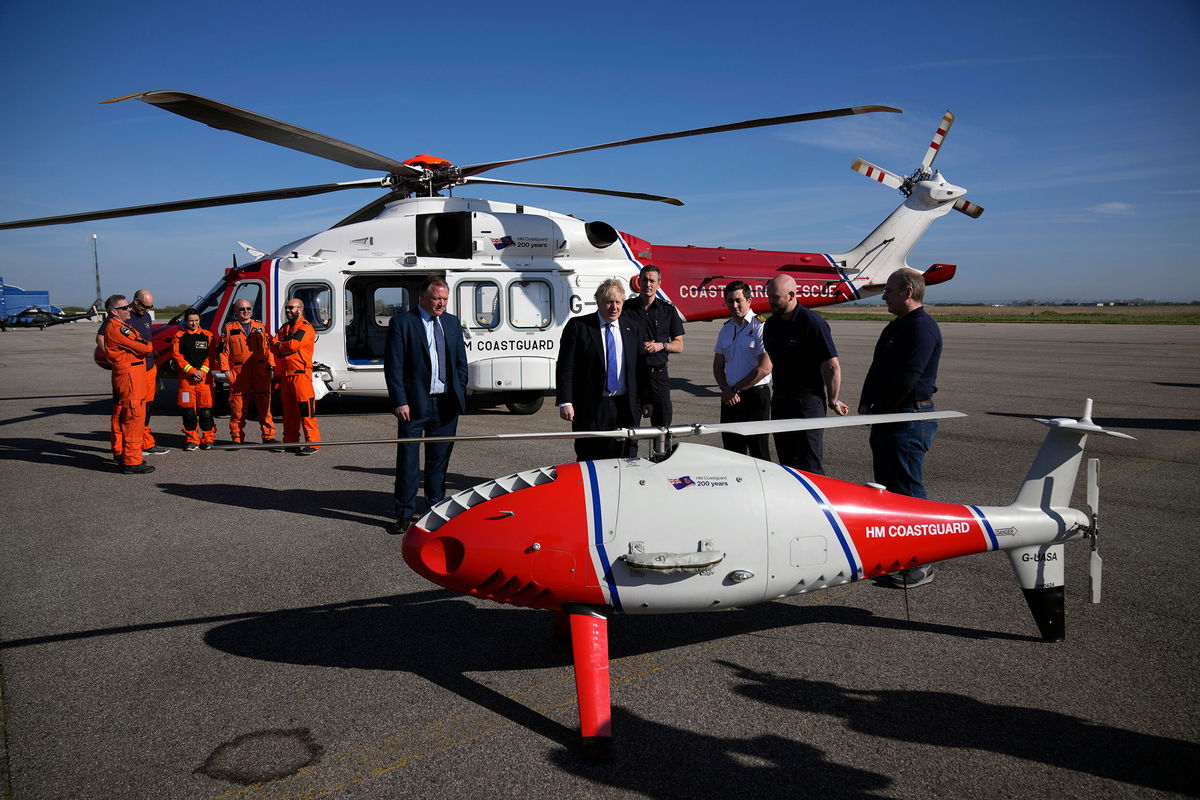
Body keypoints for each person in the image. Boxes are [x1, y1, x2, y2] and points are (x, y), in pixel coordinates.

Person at [859, 268, 944, 587]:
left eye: (889, 290)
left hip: (908, 418)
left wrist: (880, 407)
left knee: (908, 491)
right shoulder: (896, 327)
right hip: (889, 415)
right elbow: (877, 368)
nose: (884, 296)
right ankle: (899, 553)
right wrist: (867, 401)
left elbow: (908, 379)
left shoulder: (922, 329)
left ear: (908, 292)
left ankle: (923, 562)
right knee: (889, 489)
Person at [384, 277, 469, 535]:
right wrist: (400, 400)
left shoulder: (452, 323)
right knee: (408, 461)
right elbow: (394, 367)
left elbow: (460, 364)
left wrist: (459, 391)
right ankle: (404, 514)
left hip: (445, 405)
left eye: (444, 299)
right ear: (422, 298)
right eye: (436, 299)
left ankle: (435, 508)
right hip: (414, 405)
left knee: (438, 461)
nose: (441, 303)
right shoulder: (402, 323)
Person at [762, 274, 849, 475]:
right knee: (787, 462)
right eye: (769, 296)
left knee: (810, 463)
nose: (770, 301)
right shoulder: (771, 325)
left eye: (775, 297)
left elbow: (832, 365)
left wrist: (833, 400)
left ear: (792, 295)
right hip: (781, 401)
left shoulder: (812, 322)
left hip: (808, 403)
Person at [556, 278, 648, 462]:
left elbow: (640, 367)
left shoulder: (632, 327)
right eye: (609, 302)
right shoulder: (579, 327)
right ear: (598, 302)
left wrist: (646, 399)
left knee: (626, 456)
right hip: (591, 406)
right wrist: (565, 401)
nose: (614, 307)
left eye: (618, 302)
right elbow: (565, 367)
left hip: (625, 406)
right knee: (591, 454)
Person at [96, 289, 168, 456]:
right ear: (136, 301)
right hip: (129, 371)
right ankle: (120, 449)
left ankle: (145, 442)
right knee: (123, 410)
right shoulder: (120, 317)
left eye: (150, 307)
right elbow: (100, 338)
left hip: (148, 368)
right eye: (144, 306)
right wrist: (114, 359)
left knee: (145, 408)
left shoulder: (147, 317)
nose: (147, 310)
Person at [712, 281, 772, 461]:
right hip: (730, 398)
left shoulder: (760, 326)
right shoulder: (726, 329)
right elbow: (717, 365)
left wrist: (736, 389)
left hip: (755, 397)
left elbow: (764, 368)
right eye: (730, 301)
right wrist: (725, 389)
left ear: (749, 301)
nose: (734, 305)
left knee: (758, 452)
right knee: (732, 453)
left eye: (738, 300)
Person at [620, 265, 685, 427]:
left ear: (659, 284)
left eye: (651, 281)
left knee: (662, 429)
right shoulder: (626, 309)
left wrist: (661, 346)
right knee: (629, 428)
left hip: (658, 377)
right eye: (644, 280)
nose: (648, 284)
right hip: (632, 377)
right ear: (638, 282)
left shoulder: (668, 310)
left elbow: (679, 345)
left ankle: (661, 454)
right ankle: (628, 454)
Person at [101, 294, 154, 474]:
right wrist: (141, 345)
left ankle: (125, 454)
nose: (129, 309)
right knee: (133, 415)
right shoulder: (117, 329)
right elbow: (146, 347)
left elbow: (142, 344)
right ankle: (131, 461)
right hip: (130, 375)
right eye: (124, 308)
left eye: (128, 307)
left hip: (132, 373)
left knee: (126, 414)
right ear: (114, 312)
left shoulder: (122, 325)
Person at [219, 299, 278, 446]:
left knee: (265, 407)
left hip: (260, 371)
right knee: (238, 408)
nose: (245, 311)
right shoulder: (228, 328)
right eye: (242, 309)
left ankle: (268, 437)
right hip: (239, 373)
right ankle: (237, 438)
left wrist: (271, 366)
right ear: (235, 312)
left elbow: (267, 348)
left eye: (248, 308)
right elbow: (222, 352)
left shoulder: (259, 326)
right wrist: (225, 370)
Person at [271, 298, 321, 455]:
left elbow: (293, 345)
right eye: (286, 308)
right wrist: (281, 346)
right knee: (289, 412)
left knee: (306, 412)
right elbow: (273, 344)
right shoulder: (285, 327)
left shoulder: (306, 328)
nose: (288, 310)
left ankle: (313, 443)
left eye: (291, 308)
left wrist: (280, 346)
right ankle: (291, 442)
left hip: (301, 377)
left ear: (300, 309)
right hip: (287, 376)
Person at [171, 308, 218, 451]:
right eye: (191, 320)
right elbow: (177, 356)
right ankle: (192, 440)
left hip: (204, 381)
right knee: (188, 412)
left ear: (200, 320)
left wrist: (202, 372)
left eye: (196, 320)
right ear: (186, 321)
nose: (194, 323)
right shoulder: (179, 336)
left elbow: (211, 356)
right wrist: (192, 371)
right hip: (187, 381)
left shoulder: (208, 336)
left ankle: (208, 438)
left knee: (206, 412)